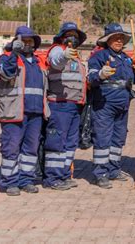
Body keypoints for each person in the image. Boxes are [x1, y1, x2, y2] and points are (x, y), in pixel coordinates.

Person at [0, 26, 50, 196]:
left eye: (30, 40)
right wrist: (14, 54)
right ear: (16, 41)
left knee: (30, 149)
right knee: (11, 148)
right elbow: (6, 74)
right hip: (13, 111)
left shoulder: (39, 62)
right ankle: (10, 181)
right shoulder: (6, 58)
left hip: (35, 113)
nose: (27, 43)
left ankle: (26, 179)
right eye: (23, 40)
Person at [88, 23, 135, 189]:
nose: (119, 41)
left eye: (121, 38)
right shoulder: (99, 56)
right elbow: (91, 77)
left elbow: (132, 80)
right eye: (115, 38)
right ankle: (100, 173)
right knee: (103, 138)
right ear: (107, 40)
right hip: (104, 104)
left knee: (118, 138)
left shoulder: (126, 58)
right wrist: (101, 74)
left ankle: (114, 170)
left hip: (123, 104)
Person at [43, 22, 88, 190]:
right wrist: (64, 55)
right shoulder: (57, 50)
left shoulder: (77, 56)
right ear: (62, 36)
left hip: (75, 105)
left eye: (75, 36)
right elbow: (56, 62)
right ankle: (52, 178)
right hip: (59, 104)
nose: (72, 38)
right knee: (57, 142)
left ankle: (64, 175)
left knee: (70, 143)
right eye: (69, 34)